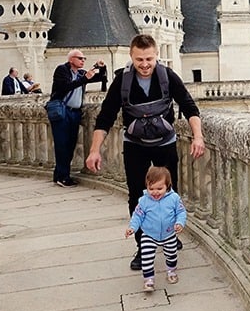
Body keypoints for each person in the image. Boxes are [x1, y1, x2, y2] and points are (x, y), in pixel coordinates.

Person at [86, 34, 205, 270]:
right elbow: (105, 117)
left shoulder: (168, 76)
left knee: (171, 194)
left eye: (149, 58)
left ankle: (171, 236)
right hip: (135, 144)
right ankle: (143, 248)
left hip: (165, 143)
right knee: (137, 196)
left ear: (156, 55)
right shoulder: (122, 81)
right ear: (131, 56)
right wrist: (94, 150)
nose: (144, 64)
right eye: (139, 59)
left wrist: (198, 137)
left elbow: (189, 106)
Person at [48, 50, 107, 187]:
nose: (83, 61)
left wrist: (101, 68)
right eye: (80, 58)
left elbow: (100, 78)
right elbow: (65, 87)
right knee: (62, 144)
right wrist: (84, 79)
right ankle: (63, 177)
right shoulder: (62, 70)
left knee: (70, 144)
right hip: (62, 111)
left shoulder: (80, 73)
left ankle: (60, 174)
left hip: (75, 113)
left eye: (84, 58)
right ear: (71, 59)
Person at [125, 166, 186, 292]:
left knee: (171, 255)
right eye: (151, 188)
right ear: (146, 186)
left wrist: (180, 223)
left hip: (168, 234)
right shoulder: (143, 201)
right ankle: (149, 280)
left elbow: (181, 212)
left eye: (159, 188)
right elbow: (137, 216)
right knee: (146, 258)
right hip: (149, 234)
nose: (155, 192)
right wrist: (132, 227)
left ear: (167, 186)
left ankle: (171, 271)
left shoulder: (174, 199)